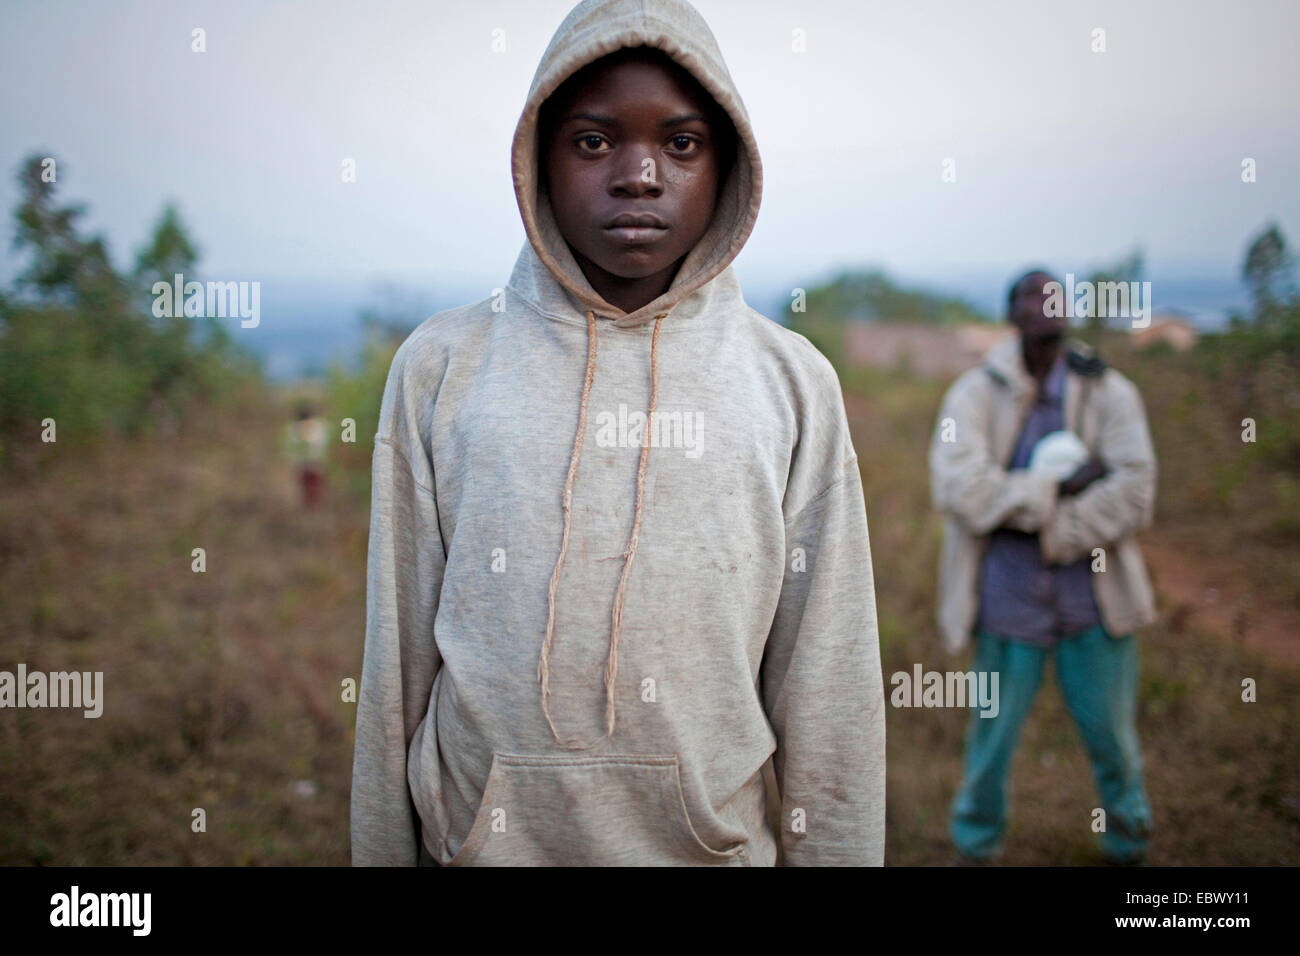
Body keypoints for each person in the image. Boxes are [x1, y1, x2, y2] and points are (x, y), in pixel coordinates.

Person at [349, 0, 885, 867]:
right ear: (538, 162)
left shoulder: (788, 383)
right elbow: (395, 664)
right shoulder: (444, 366)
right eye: (594, 141)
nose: (639, 174)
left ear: (727, 166)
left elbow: (830, 683)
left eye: (681, 143)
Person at [928, 268, 1158, 864]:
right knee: (991, 742)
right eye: (1032, 294)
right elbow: (959, 486)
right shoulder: (974, 393)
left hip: (1094, 600)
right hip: (1006, 601)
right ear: (1014, 315)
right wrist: (1056, 492)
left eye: (1057, 293)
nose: (1046, 302)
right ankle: (975, 848)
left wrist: (1046, 528)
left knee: (1114, 741)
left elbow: (1136, 490)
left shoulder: (1110, 392)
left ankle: (1129, 847)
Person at [282, 402, 328, 509]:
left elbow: (290, 448)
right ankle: (311, 508)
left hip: (307, 463)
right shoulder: (318, 426)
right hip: (312, 463)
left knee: (308, 488)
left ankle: (310, 508)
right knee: (310, 488)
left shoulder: (294, 428)